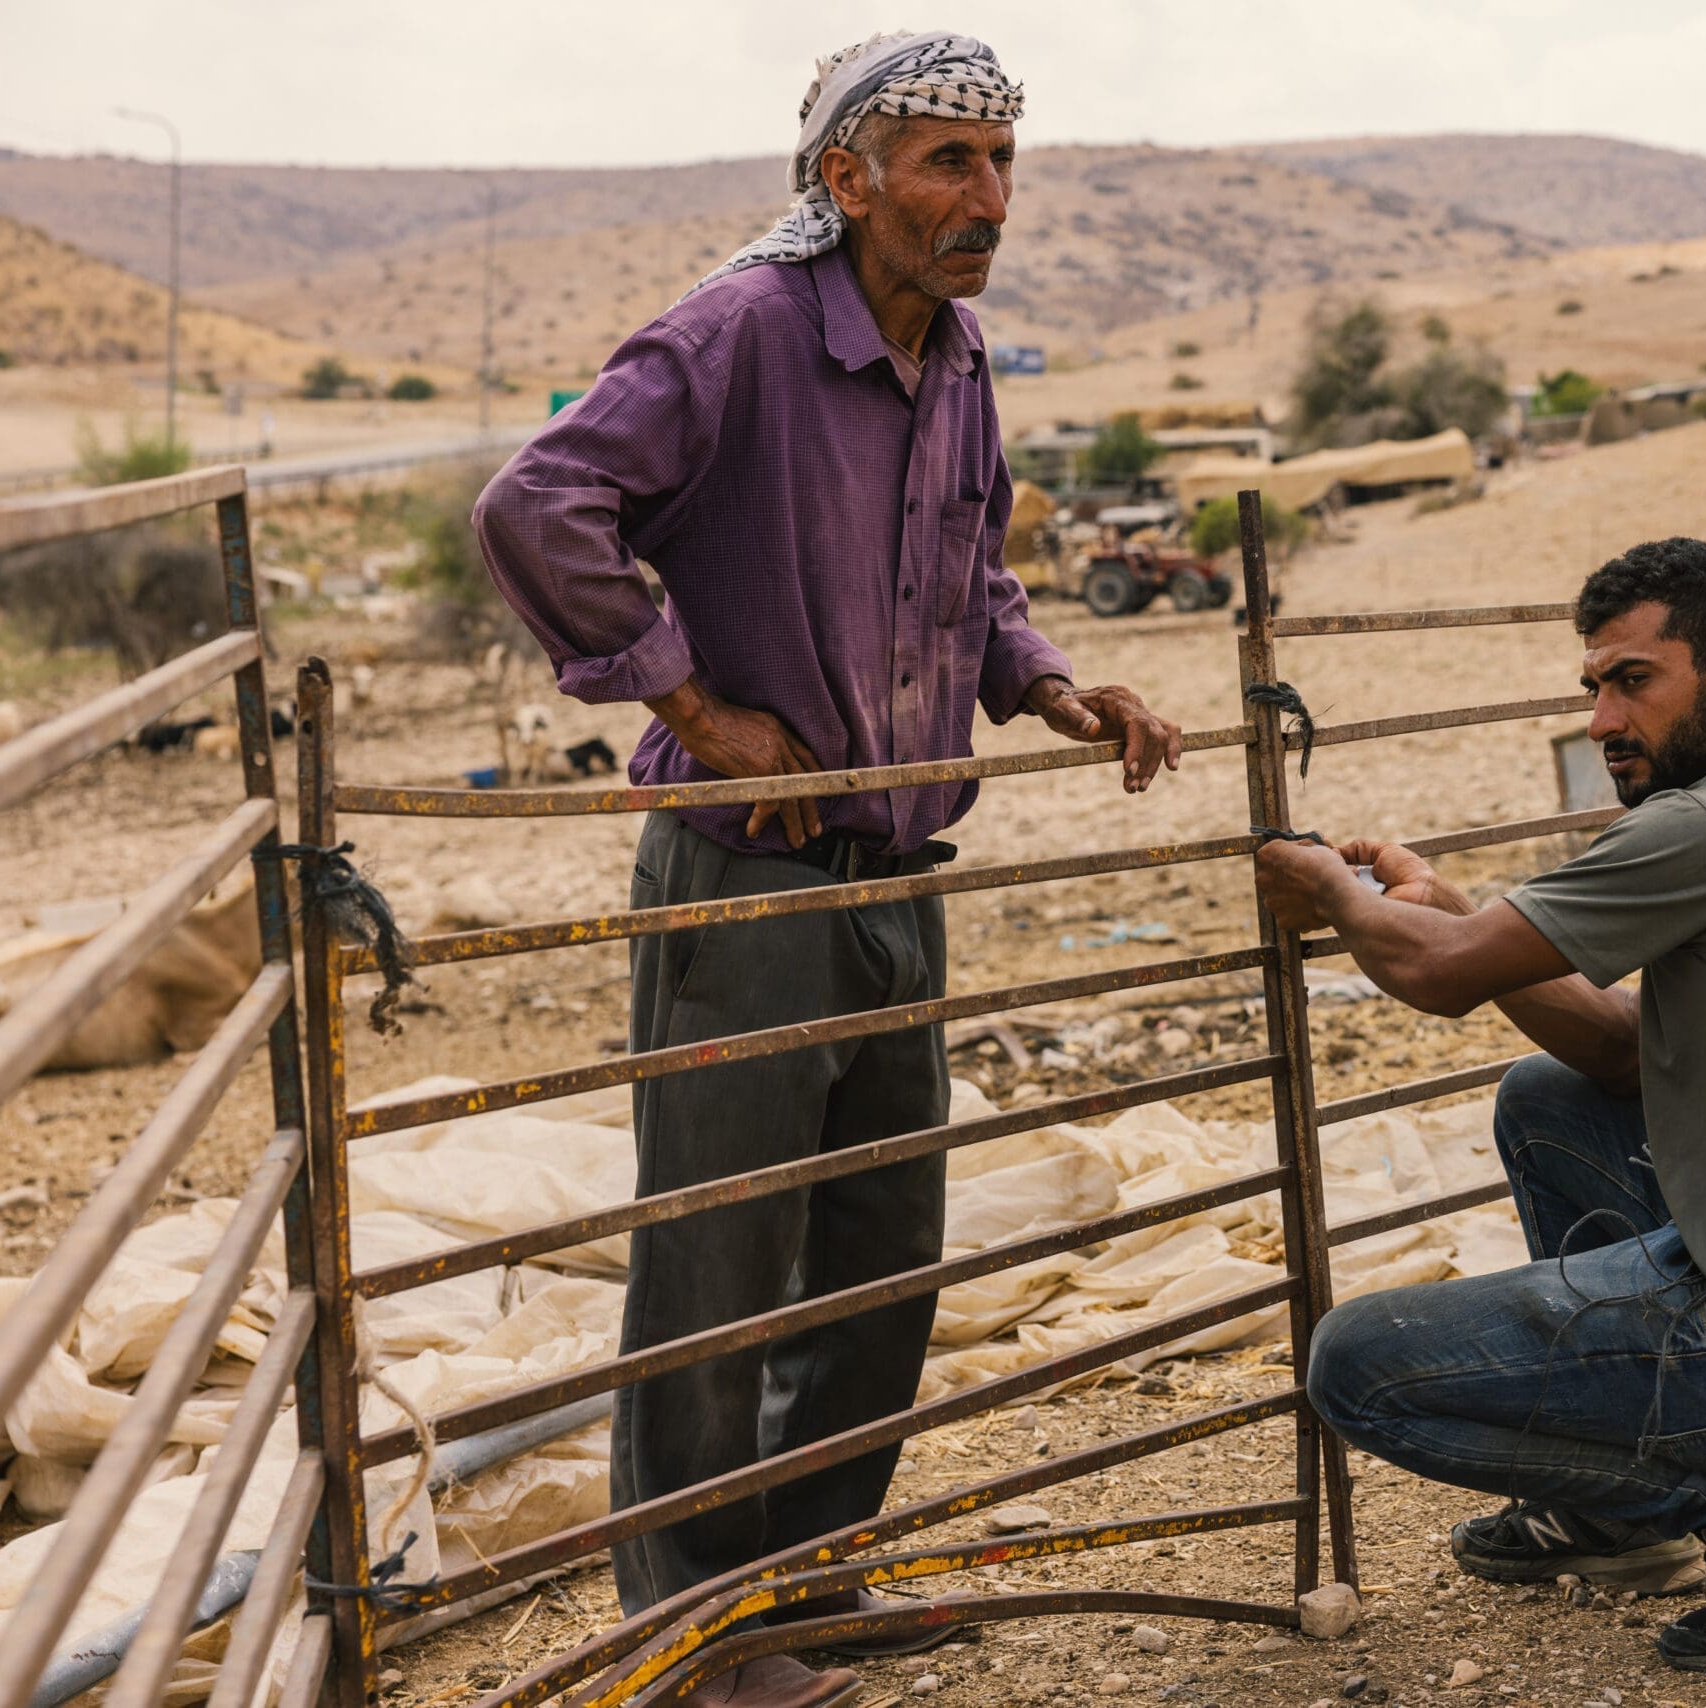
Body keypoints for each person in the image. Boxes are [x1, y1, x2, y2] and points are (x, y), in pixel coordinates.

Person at [476, 32, 1181, 1708]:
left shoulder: (962, 354)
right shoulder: (737, 334)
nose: (986, 199)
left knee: (883, 1248)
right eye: (948, 163)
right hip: (748, 885)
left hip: (895, 869)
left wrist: (1054, 683)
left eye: (1001, 164)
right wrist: (689, 699)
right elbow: (538, 502)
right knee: (718, 1263)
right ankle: (699, 1633)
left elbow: (973, 569)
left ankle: (812, 1566)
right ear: (845, 177)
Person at [1253, 538, 1706, 1676]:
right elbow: (1614, 1053)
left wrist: (1334, 893)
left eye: (1633, 681)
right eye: (1592, 686)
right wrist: (1443, 902)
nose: (1603, 717)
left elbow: (1441, 975)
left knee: (1356, 1365)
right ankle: (1614, 1519)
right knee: (1549, 1095)